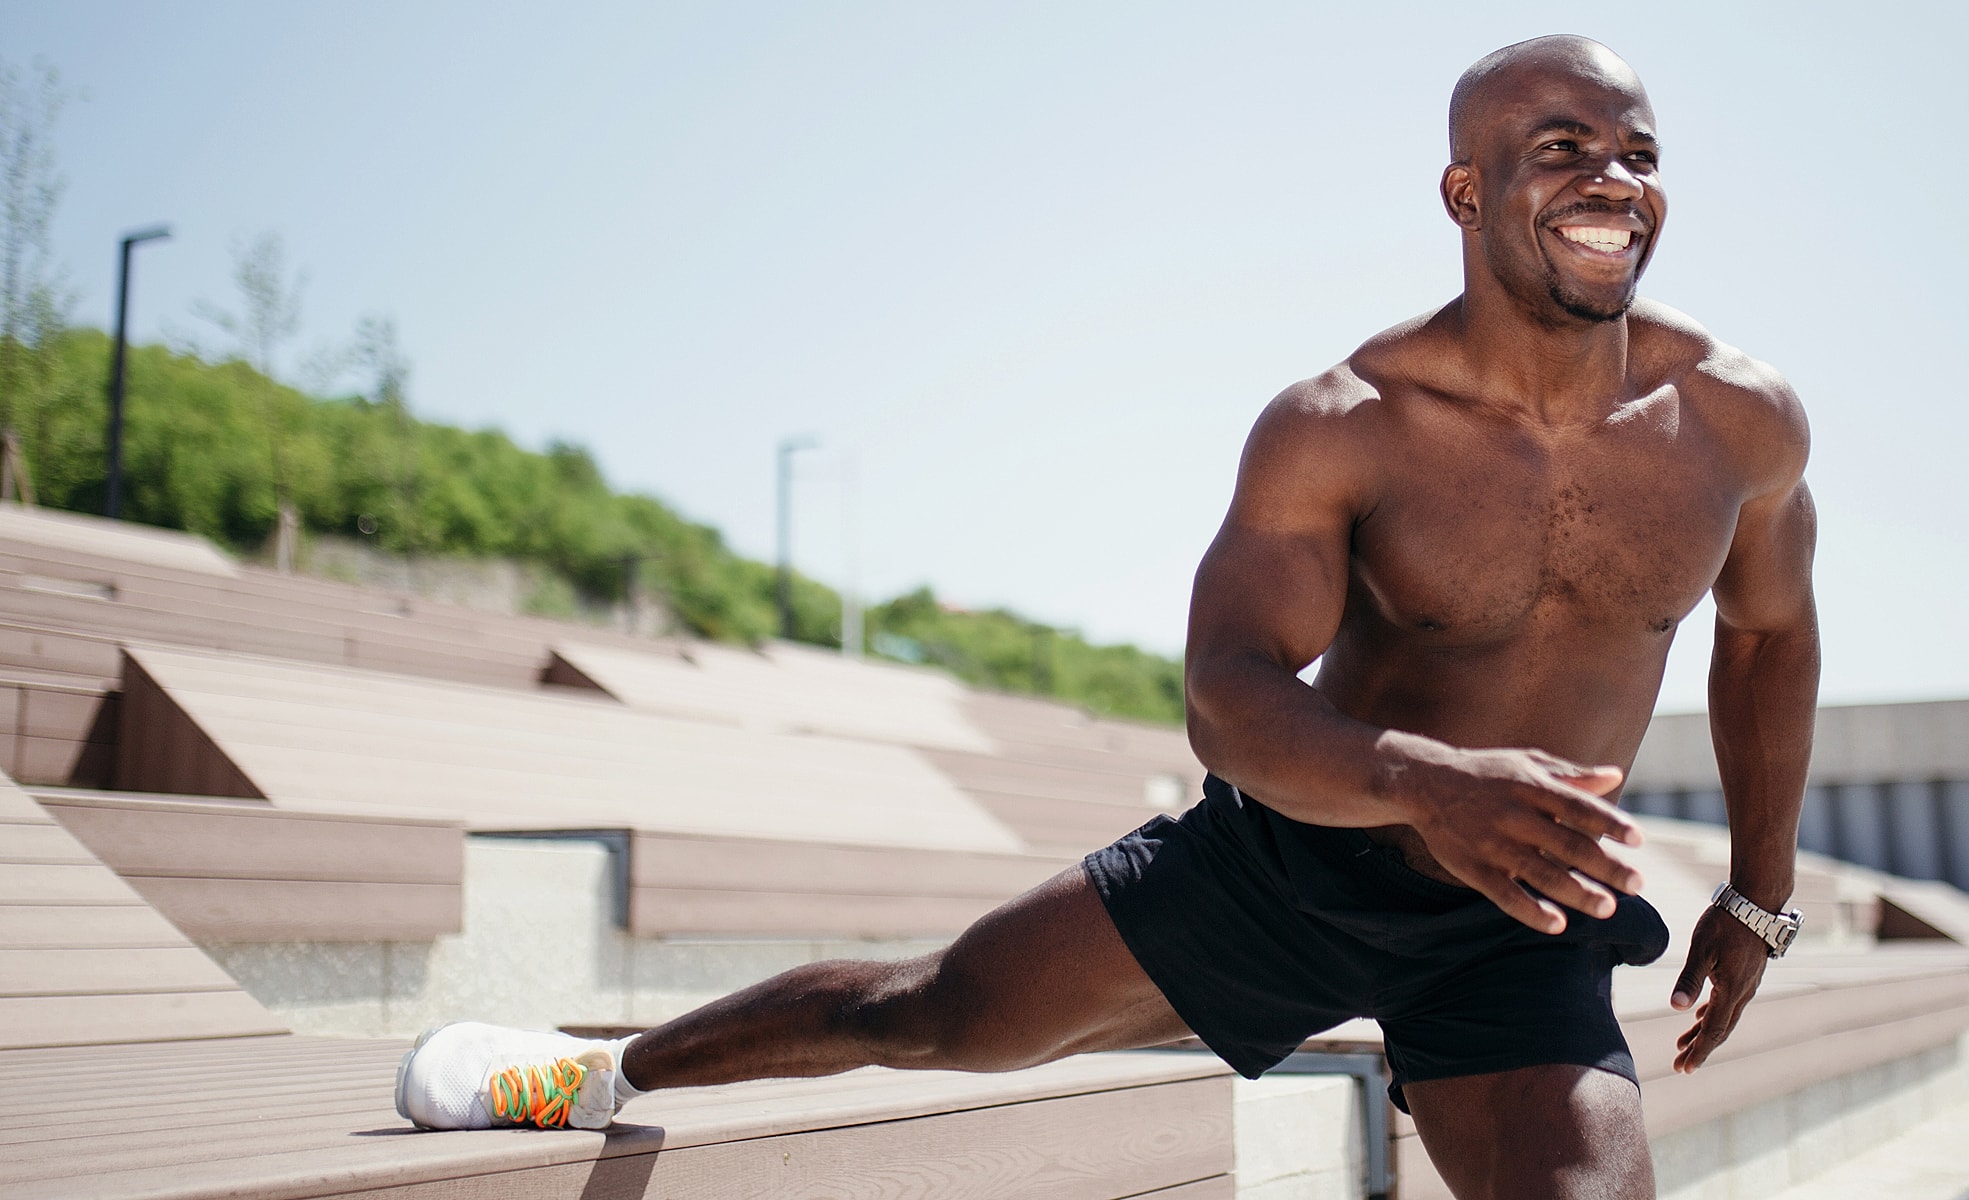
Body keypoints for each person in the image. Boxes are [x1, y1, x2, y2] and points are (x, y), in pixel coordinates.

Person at [395, 33, 1817, 1200]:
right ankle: (594, 1073)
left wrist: (1759, 893)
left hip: (1519, 918)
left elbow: (1767, 635)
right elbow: (1228, 684)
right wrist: (1412, 778)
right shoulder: (1347, 426)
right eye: (1563, 149)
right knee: (926, 1012)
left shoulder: (1737, 424)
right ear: (1464, 192)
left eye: (1639, 154)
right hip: (1291, 859)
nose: (1614, 180)